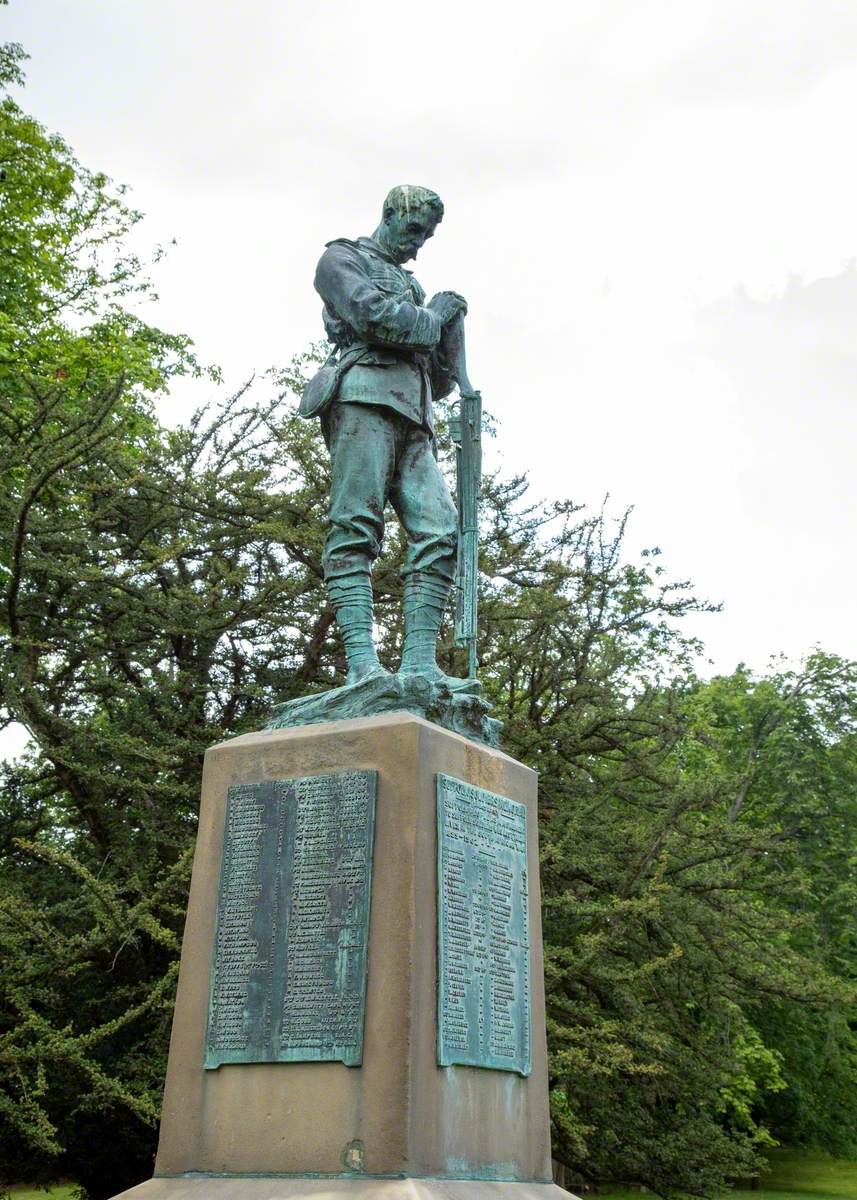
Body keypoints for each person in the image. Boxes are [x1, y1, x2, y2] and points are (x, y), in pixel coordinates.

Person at [308, 184, 473, 691]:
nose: (418, 244)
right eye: (415, 230)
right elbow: (371, 316)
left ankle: (419, 666)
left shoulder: (411, 285)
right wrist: (434, 318)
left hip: (414, 414)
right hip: (362, 396)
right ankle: (362, 666)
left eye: (426, 236)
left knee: (441, 531)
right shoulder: (341, 259)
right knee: (355, 525)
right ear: (390, 214)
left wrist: (448, 335)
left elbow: (440, 381)